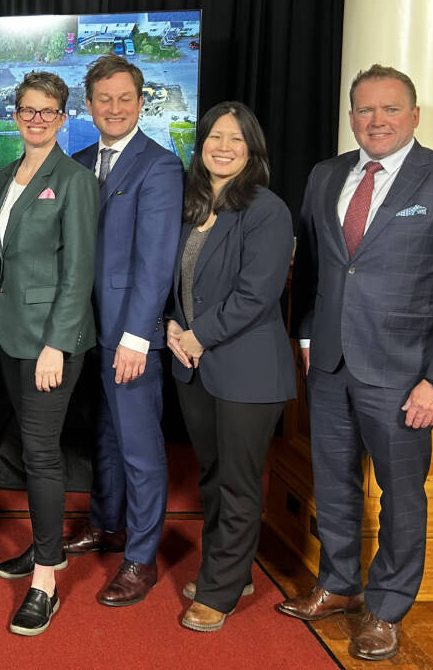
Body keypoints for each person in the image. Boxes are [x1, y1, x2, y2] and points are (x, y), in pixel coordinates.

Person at [277, 65, 433, 661]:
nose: (375, 121)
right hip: (328, 365)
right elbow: (317, 269)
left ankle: (388, 606)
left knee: (402, 495)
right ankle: (340, 585)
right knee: (335, 483)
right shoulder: (326, 176)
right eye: (364, 110)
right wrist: (304, 340)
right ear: (351, 117)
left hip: (405, 375)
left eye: (389, 109)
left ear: (415, 115)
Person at [162, 102, 295, 632]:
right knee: (215, 477)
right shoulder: (193, 206)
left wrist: (195, 335)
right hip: (193, 365)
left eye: (236, 140)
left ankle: (219, 590)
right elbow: (181, 284)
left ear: (252, 150)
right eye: (215, 137)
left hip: (247, 370)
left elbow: (256, 295)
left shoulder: (267, 209)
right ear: (200, 146)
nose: (223, 147)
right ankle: (232, 571)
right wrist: (172, 326)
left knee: (238, 483)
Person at [65, 54, 182, 607]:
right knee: (104, 437)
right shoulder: (79, 158)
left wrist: (138, 335)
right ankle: (106, 525)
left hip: (128, 334)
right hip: (84, 329)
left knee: (138, 447)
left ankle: (141, 557)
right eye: (103, 99)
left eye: (124, 98)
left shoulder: (159, 166)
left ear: (141, 102)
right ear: (87, 106)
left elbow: (157, 260)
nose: (114, 108)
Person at [0, 70, 99, 636]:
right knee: (33, 448)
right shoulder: (5, 175)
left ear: (63, 117)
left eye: (47, 112)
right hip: (9, 335)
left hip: (52, 342)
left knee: (40, 453)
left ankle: (45, 580)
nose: (36, 119)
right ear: (16, 114)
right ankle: (41, 548)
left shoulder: (76, 179)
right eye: (27, 110)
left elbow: (79, 272)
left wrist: (57, 343)